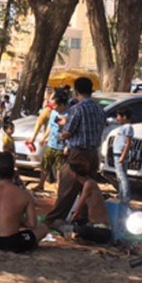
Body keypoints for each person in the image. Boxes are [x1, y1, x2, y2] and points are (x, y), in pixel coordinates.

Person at [45, 77, 106, 228]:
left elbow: (68, 132)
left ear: (76, 91)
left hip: (78, 153)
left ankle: (54, 219)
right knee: (88, 188)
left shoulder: (77, 109)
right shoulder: (99, 109)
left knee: (66, 188)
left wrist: (60, 133)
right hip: (93, 153)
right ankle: (82, 219)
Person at [0, 152, 49, 253]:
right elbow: (32, 224)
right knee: (43, 229)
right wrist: (19, 221)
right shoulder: (24, 195)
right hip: (10, 242)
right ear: (14, 173)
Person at [66, 153, 113, 244]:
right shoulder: (90, 183)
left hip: (101, 231)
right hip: (97, 228)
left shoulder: (89, 185)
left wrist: (69, 223)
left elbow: (77, 211)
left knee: (74, 229)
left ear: (75, 174)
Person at [34, 89, 68, 192]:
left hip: (61, 146)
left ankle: (60, 188)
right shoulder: (53, 113)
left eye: (55, 106)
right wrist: (44, 137)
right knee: (45, 165)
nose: (53, 108)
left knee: (59, 168)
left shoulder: (68, 115)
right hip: (51, 143)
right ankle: (41, 184)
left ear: (62, 104)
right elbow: (50, 126)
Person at [112, 108, 134, 215]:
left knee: (122, 177)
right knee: (120, 177)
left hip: (120, 155)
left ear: (125, 117)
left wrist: (122, 156)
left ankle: (125, 197)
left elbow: (128, 143)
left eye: (119, 116)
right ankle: (121, 194)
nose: (117, 119)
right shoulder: (122, 127)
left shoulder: (128, 127)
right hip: (117, 154)